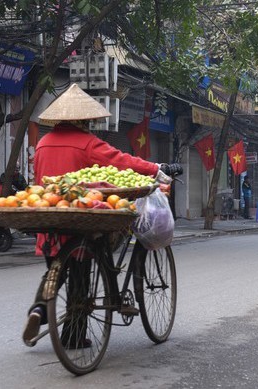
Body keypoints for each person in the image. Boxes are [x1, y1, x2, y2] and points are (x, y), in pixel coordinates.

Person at [22, 83, 175, 348]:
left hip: (50, 219)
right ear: (83, 119)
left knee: (55, 273)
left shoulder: (44, 143)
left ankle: (38, 310)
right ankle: (74, 335)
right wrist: (155, 168)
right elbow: (121, 161)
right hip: (81, 218)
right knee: (80, 277)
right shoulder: (87, 143)